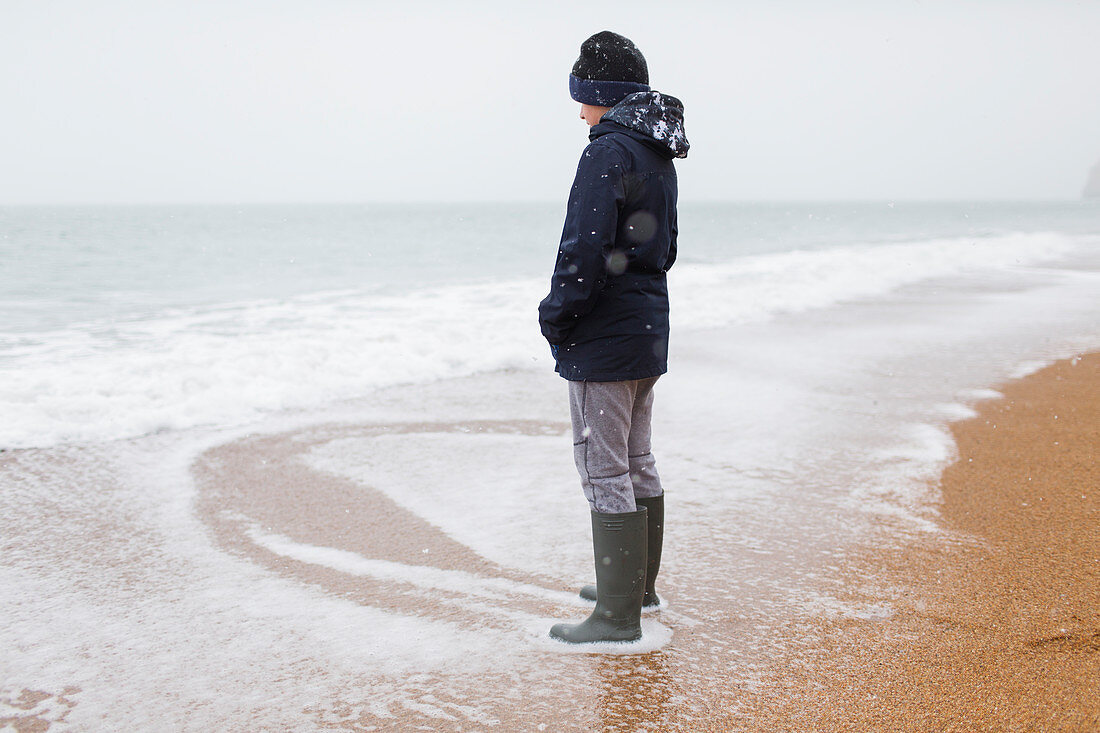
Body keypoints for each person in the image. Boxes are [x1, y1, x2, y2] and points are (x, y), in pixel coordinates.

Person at [538, 30, 688, 644]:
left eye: (585, 98)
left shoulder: (608, 152)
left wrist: (558, 315)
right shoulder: (656, 151)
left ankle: (616, 617)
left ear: (605, 94)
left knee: (603, 466)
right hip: (648, 325)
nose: (581, 113)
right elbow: (667, 246)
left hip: (605, 334)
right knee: (636, 458)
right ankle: (636, 588)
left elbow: (584, 247)